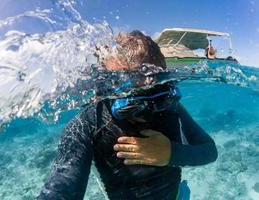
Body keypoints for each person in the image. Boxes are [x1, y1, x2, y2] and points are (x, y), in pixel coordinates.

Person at [38, 30, 218, 200]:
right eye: (134, 103)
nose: (149, 110)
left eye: (158, 94)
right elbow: (61, 190)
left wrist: (171, 153)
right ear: (109, 90)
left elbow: (210, 151)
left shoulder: (171, 106)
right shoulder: (89, 123)